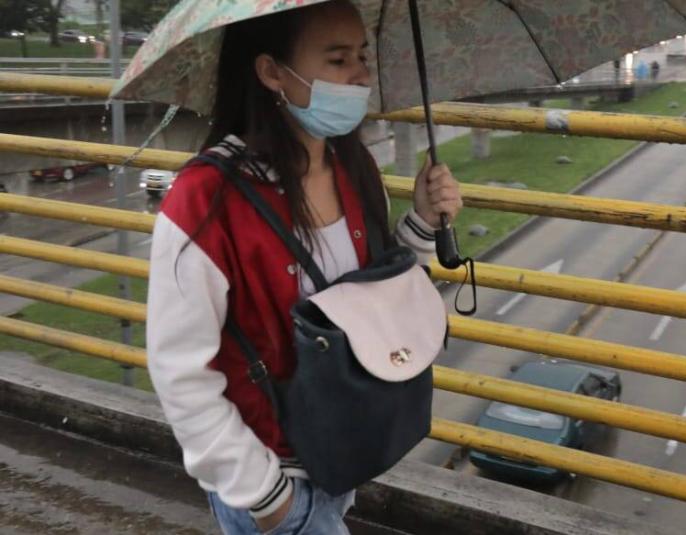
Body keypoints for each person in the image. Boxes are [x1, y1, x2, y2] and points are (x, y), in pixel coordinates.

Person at [144, 2, 462, 534]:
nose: (360, 76)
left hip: (340, 458)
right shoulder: (206, 201)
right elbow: (179, 371)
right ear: (272, 72)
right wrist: (267, 497)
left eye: (362, 56)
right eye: (338, 60)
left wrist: (423, 226)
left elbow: (372, 300)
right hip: (274, 485)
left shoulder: (354, 168)